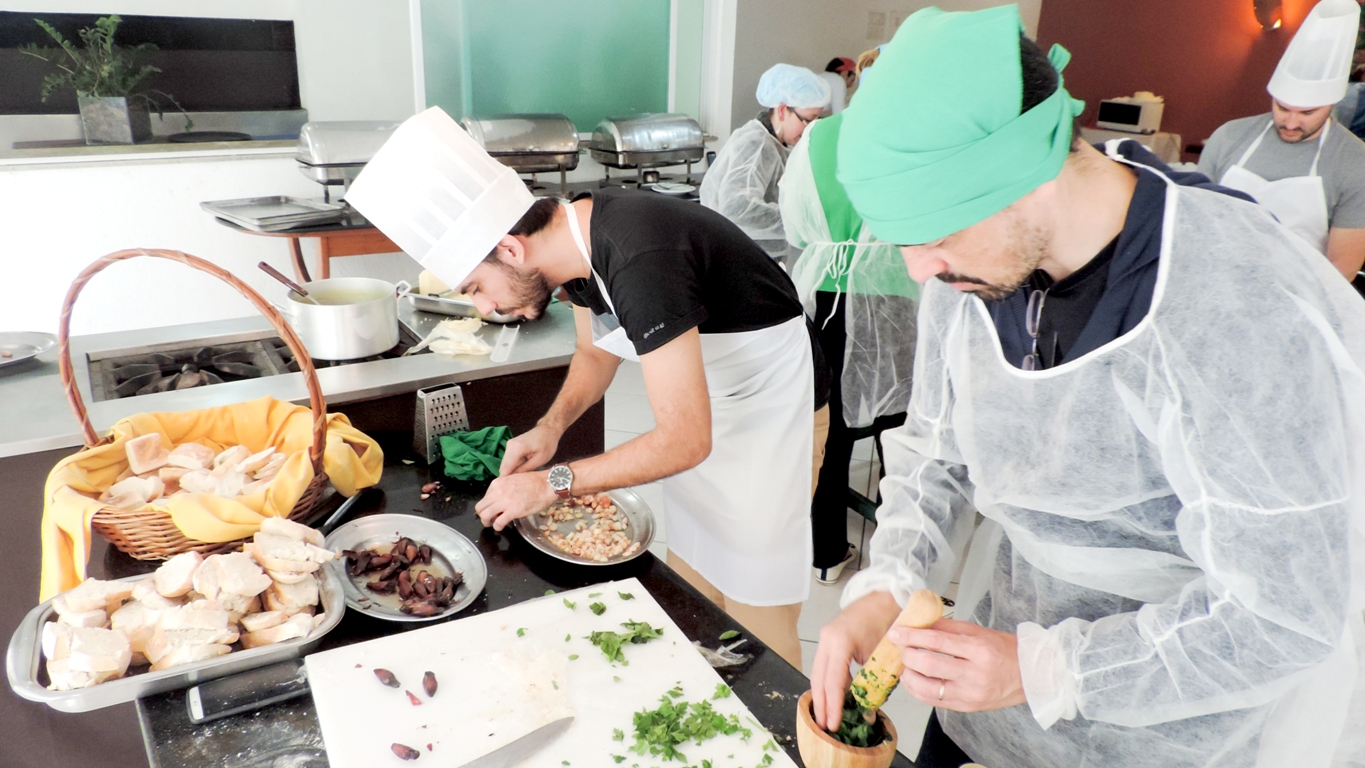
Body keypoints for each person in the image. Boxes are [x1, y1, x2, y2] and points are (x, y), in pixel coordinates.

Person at [811, 5, 1365, 768]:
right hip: (992, 698)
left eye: (933, 234)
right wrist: (887, 581)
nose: (917, 271)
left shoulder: (1238, 306)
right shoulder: (967, 275)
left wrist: (1052, 670)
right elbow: (937, 453)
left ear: (1029, 175)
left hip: (1166, 728)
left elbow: (1287, 614)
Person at [347, 107, 826, 669]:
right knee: (699, 575)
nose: (483, 306)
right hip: (703, 401)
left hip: (767, 407)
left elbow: (685, 440)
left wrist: (553, 483)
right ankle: (711, 678)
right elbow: (595, 350)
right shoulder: (570, 254)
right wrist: (550, 430)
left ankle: (780, 722)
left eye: (476, 287)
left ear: (510, 248)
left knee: (755, 600)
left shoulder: (640, 256)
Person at [780, 48, 918, 586]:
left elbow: (794, 222)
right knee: (900, 435)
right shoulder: (913, 143)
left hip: (826, 298)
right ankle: (898, 559)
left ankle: (826, 553)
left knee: (829, 433)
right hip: (897, 300)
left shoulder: (818, 137)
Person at [1198, 0, 1365, 282]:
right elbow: (1192, 219)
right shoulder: (1228, 137)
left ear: (1332, 104)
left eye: (1307, 113)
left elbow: (1342, 268)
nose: (1290, 123)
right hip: (1211, 281)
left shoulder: (1355, 161)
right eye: (1282, 107)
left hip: (1299, 299)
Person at [700, 63, 830, 259]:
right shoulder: (756, 143)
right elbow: (737, 209)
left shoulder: (778, 145)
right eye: (808, 120)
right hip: (740, 259)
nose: (810, 129)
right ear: (782, 110)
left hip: (759, 258)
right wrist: (802, 223)